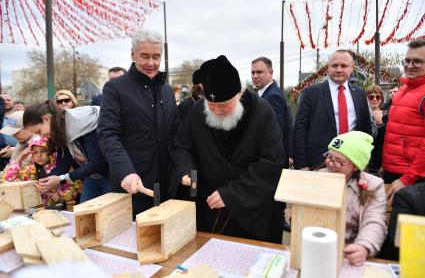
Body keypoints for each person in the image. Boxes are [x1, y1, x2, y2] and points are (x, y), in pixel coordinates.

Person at [170, 55, 285, 243]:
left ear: (239, 94)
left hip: (250, 213)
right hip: (209, 210)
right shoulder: (198, 111)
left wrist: (232, 195)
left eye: (224, 105)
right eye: (211, 105)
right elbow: (182, 146)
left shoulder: (262, 112)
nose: (216, 111)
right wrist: (185, 171)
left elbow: (272, 162)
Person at [97, 28, 179, 216]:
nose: (151, 63)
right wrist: (126, 171)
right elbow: (108, 134)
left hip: (165, 187)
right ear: (132, 54)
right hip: (133, 187)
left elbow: (176, 133)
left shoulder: (167, 91)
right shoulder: (115, 88)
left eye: (156, 57)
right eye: (144, 56)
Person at [293, 49, 372, 170]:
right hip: (319, 163)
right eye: (334, 65)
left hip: (352, 163)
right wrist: (302, 165)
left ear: (352, 68)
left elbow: (365, 130)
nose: (339, 69)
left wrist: (364, 159)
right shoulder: (311, 93)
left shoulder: (360, 94)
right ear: (328, 68)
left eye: (344, 66)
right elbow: (300, 129)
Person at [23, 101, 110, 202]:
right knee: (84, 214)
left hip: (110, 175)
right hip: (91, 177)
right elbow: (63, 164)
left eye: (39, 131)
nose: (41, 136)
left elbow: (97, 163)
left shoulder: (86, 124)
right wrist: (46, 182)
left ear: (46, 119)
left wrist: (61, 179)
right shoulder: (59, 129)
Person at [322, 131, 387, 266]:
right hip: (318, 249)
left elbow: (374, 222)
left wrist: (363, 247)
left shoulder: (372, 186)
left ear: (356, 166)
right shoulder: (317, 178)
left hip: (348, 255)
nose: (331, 164)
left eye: (339, 161)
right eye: (329, 156)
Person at [383, 38, 425, 200]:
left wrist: (408, 178)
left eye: (417, 62)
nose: (409, 65)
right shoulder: (402, 89)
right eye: (407, 60)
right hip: (393, 172)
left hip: (412, 178)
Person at [2, 135, 78, 209]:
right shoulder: (30, 170)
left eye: (43, 151)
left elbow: (73, 187)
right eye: (35, 152)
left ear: (51, 152)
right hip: (35, 211)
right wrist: (19, 159)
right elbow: (9, 180)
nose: (39, 155)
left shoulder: (60, 169)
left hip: (57, 210)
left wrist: (60, 195)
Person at [251, 56, 293, 168]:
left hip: (271, 161)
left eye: (259, 72)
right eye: (253, 72)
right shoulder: (263, 94)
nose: (255, 76)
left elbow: (275, 132)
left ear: (271, 73)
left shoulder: (273, 96)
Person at [366, 85, 386, 175]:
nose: (374, 99)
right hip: (365, 160)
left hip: (381, 160)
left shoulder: (387, 116)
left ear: (381, 99)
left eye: (377, 96)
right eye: (371, 97)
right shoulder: (361, 116)